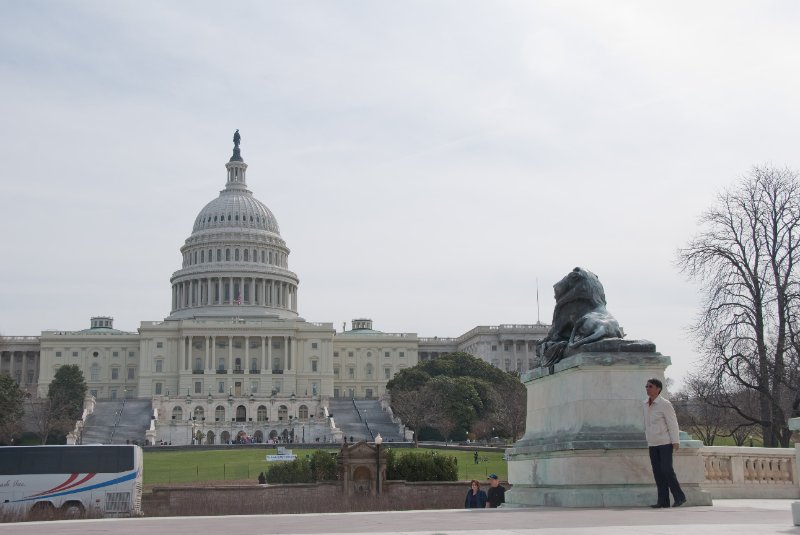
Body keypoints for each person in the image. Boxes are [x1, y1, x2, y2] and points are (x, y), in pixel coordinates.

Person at [644, 377, 687, 508]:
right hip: (652, 443)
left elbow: (672, 423)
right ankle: (663, 501)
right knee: (658, 472)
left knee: (667, 470)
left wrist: (675, 441)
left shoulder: (665, 404)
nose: (647, 388)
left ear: (658, 389)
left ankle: (679, 496)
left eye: (650, 386)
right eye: (646, 386)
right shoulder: (645, 404)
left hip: (665, 443)